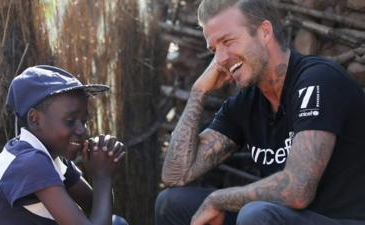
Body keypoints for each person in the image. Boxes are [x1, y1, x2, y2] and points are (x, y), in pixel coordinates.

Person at [155, 0, 365, 225]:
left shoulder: (317, 80)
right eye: (214, 50)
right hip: (283, 218)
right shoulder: (247, 103)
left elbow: (298, 189)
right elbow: (175, 176)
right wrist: (198, 91)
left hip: (343, 220)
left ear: (264, 32)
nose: (221, 59)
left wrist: (218, 199)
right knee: (171, 203)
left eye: (228, 41)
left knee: (255, 215)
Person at [0, 65, 128, 225]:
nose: (82, 130)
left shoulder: (53, 158)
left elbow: (94, 204)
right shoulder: (29, 162)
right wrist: (102, 177)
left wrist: (102, 165)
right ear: (35, 120)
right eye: (70, 121)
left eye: (84, 121)